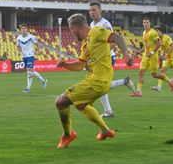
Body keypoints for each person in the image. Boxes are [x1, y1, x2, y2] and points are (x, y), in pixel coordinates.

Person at [55, 14, 134, 148]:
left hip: (98, 81)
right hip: (99, 82)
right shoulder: (86, 44)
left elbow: (117, 37)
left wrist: (126, 54)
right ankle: (105, 131)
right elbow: (80, 65)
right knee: (81, 105)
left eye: (72, 31)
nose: (73, 34)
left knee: (61, 102)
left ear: (74, 29)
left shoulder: (96, 31)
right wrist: (66, 64)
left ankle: (68, 135)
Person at [89, 1, 136, 118]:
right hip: (98, 58)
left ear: (100, 10)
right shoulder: (91, 24)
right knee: (99, 84)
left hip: (107, 57)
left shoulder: (105, 24)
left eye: (94, 10)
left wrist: (101, 54)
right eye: (90, 10)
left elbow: (114, 41)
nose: (91, 12)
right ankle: (123, 83)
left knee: (99, 84)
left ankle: (109, 109)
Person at [132, 17, 173, 97]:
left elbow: (159, 44)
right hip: (145, 56)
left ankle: (169, 80)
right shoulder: (144, 32)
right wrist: (139, 52)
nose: (145, 24)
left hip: (153, 56)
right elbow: (145, 45)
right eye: (144, 23)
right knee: (141, 73)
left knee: (154, 75)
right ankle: (139, 91)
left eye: (147, 22)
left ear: (150, 23)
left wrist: (152, 52)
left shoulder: (153, 32)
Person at [16, 24, 47, 93]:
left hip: (30, 55)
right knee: (31, 71)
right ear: (20, 30)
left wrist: (38, 50)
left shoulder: (31, 37)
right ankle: (43, 80)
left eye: (24, 28)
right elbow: (18, 46)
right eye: (22, 28)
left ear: (27, 29)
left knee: (29, 71)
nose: (23, 30)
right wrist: (18, 51)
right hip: (24, 56)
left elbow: (37, 43)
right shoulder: (18, 38)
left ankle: (28, 88)